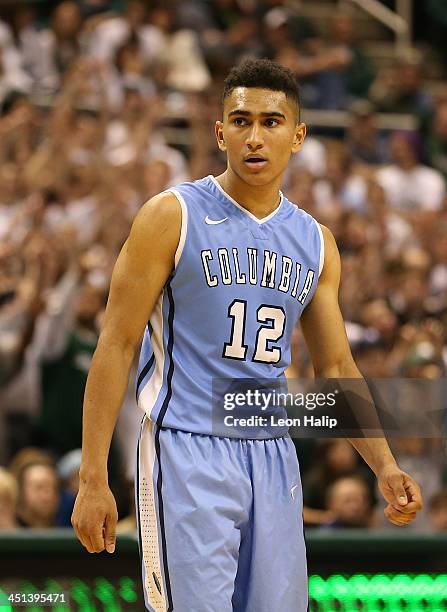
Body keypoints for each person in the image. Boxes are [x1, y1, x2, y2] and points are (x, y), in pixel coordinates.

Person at [72, 59, 423, 612]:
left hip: (273, 451)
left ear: (298, 136)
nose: (254, 136)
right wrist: (93, 475)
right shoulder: (172, 215)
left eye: (271, 122)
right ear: (220, 133)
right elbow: (114, 344)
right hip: (184, 447)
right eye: (240, 121)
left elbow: (335, 368)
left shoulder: (315, 241)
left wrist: (384, 464)